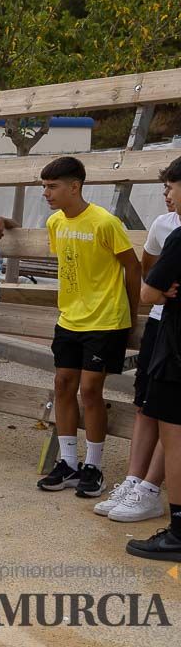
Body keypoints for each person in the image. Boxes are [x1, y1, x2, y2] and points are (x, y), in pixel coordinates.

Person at [37, 156, 140, 498]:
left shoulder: (105, 222)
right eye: (44, 186)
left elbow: (132, 267)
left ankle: (94, 466)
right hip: (69, 319)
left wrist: (130, 313)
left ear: (75, 186)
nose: (46, 193)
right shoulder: (55, 223)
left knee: (91, 390)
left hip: (106, 320)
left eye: (52, 187)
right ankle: (68, 463)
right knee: (63, 385)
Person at [97, 179, 174, 522]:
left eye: (172, 187)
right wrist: (158, 287)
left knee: (171, 414)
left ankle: (151, 488)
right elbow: (150, 276)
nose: (167, 195)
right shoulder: (164, 224)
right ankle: (134, 480)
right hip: (162, 323)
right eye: (165, 188)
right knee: (145, 403)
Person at [126, 157, 181, 562]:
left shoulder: (178, 239)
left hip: (176, 352)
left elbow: (147, 293)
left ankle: (178, 531)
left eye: (173, 187)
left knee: (175, 438)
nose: (169, 194)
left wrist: (159, 290)